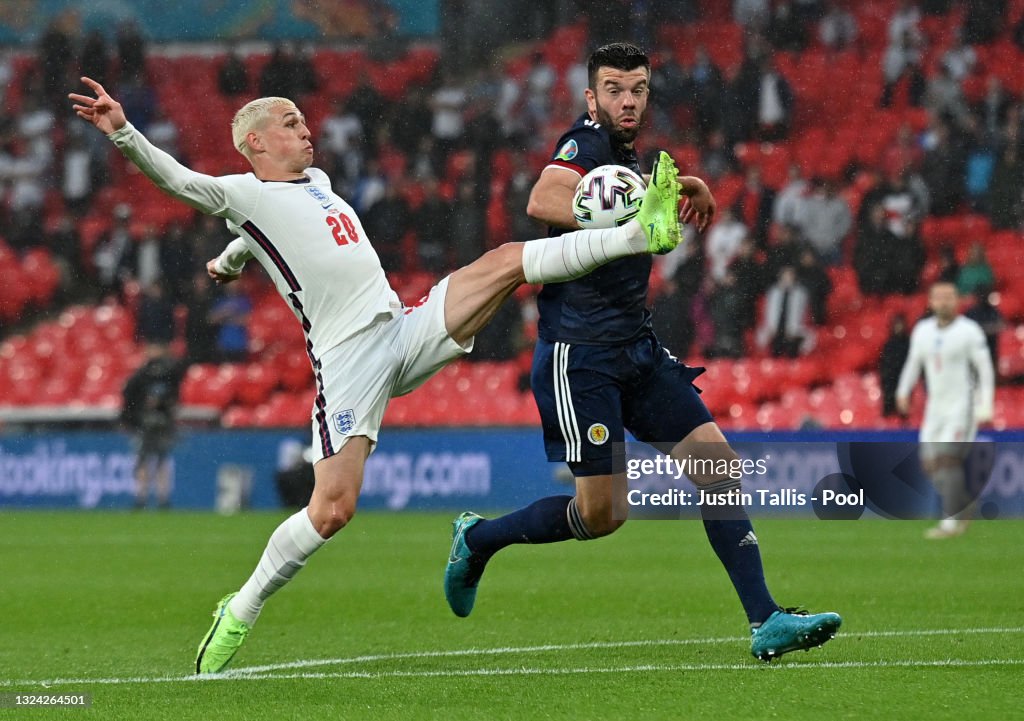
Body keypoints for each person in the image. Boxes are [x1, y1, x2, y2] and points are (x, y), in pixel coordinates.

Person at [69, 74, 686, 674]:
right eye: (289, 124)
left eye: (304, 121)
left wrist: (232, 255)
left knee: (504, 262)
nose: (306, 131)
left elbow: (270, 231)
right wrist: (123, 132)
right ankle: (243, 603)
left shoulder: (316, 181)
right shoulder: (243, 194)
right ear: (254, 143)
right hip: (347, 363)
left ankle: (638, 233)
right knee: (333, 510)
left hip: (400, 330)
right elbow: (178, 181)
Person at [442, 43, 841, 663]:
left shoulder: (631, 157)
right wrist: (633, 204)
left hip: (636, 347)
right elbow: (544, 198)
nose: (626, 101)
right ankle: (480, 538)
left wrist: (688, 184)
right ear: (591, 97)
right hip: (581, 357)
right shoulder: (585, 143)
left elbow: (633, 191)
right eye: (613, 89)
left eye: (637, 90)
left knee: (719, 469)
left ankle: (764, 620)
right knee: (603, 515)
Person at [896, 281, 995, 539]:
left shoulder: (969, 331)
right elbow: (913, 363)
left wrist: (986, 404)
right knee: (930, 464)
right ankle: (962, 503)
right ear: (930, 302)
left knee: (947, 459)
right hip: (935, 407)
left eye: (949, 297)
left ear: (958, 301)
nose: (944, 302)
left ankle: (949, 524)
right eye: (938, 297)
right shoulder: (922, 331)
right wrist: (903, 391)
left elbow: (985, 369)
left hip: (962, 406)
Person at [121, 343, 185, 510]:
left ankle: (152, 498)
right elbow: (129, 400)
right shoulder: (157, 376)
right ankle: (149, 498)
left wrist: (130, 419)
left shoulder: (150, 375)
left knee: (154, 461)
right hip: (150, 423)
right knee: (151, 461)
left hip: (153, 424)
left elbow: (128, 400)